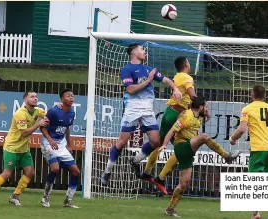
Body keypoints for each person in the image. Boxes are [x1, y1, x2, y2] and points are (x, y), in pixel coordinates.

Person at [100, 43, 182, 185]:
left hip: (147, 110)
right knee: (122, 142)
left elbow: (167, 80)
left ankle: (135, 161)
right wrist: (148, 81)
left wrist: (175, 89)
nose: (145, 52)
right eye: (142, 49)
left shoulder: (148, 69)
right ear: (133, 52)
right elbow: (131, 89)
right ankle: (107, 171)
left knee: (156, 141)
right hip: (132, 109)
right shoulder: (127, 69)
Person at [163, 96, 240, 217]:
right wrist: (165, 144)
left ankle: (170, 209)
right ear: (200, 107)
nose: (207, 109)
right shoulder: (185, 116)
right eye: (206, 106)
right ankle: (226, 156)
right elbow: (172, 131)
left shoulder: (198, 116)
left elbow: (199, 122)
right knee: (204, 137)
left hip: (188, 150)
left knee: (184, 183)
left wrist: (207, 114)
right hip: (181, 146)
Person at [229, 85, 268, 219]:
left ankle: (256, 213)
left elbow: (241, 129)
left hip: (258, 149)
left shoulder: (247, 109)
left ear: (252, 94)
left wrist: (232, 138)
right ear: (264, 96)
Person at [140, 56, 199, 195]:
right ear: (186, 64)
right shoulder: (187, 77)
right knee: (183, 148)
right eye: (189, 62)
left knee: (160, 143)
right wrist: (203, 107)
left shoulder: (178, 76)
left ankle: (147, 171)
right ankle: (160, 178)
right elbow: (193, 97)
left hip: (169, 112)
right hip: (177, 115)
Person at [0, 91, 48, 206]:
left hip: (24, 148)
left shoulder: (38, 111)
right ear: (25, 100)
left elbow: (49, 115)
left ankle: (15, 196)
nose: (35, 98)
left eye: (36, 97)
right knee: (7, 173)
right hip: (12, 147)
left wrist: (58, 109)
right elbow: (24, 133)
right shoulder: (20, 114)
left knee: (30, 172)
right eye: (32, 97)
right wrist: (38, 124)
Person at [40, 88, 80, 208]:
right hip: (48, 143)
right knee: (55, 168)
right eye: (68, 96)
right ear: (62, 99)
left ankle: (67, 201)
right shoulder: (53, 112)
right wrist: (50, 140)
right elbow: (42, 127)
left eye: (72, 96)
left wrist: (69, 144)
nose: (71, 98)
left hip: (61, 145)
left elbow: (67, 128)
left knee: (76, 171)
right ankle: (45, 197)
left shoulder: (72, 112)